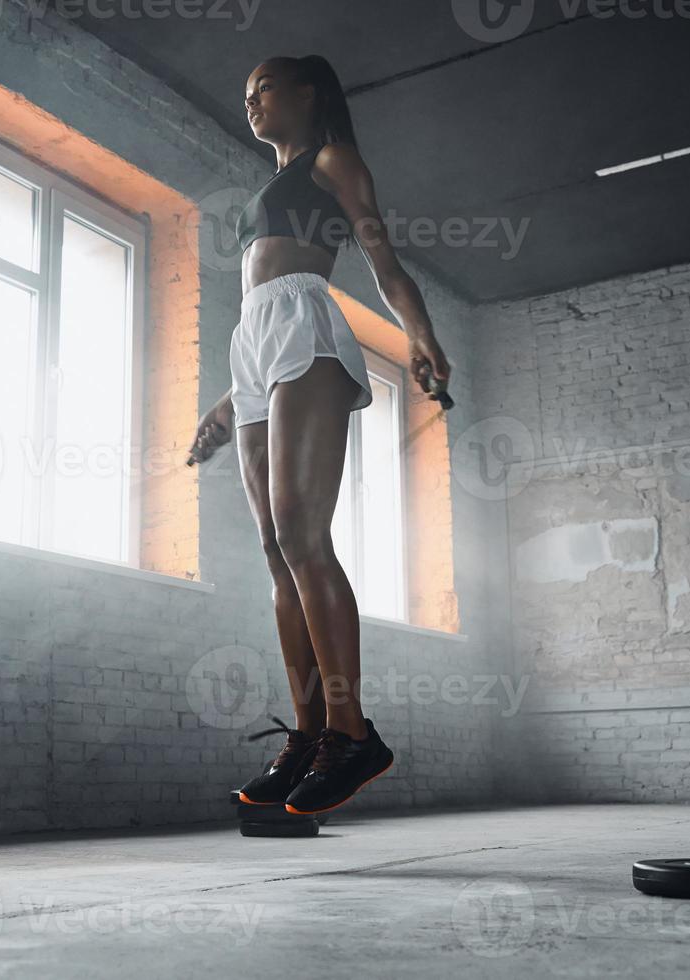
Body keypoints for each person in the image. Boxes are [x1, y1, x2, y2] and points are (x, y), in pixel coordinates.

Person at [185, 55, 451, 816]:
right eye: (244, 93)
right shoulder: (267, 186)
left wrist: (421, 335)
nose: (251, 101)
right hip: (255, 345)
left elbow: (383, 259)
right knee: (275, 552)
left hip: (307, 323)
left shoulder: (332, 159)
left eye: (264, 87)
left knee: (304, 538)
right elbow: (257, 298)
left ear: (306, 93)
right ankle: (307, 737)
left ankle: (351, 730)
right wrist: (228, 399)